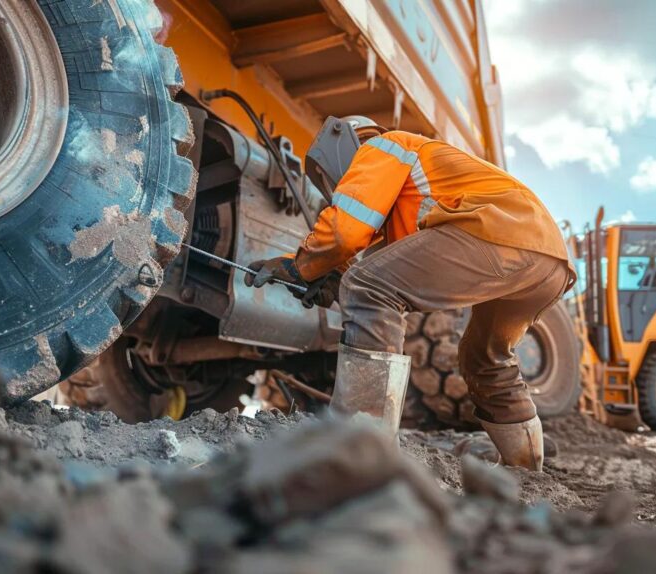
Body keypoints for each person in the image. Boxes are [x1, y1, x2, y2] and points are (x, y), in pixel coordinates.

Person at [246, 116, 574, 471]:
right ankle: (525, 467)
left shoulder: (383, 146)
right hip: (547, 259)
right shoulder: (413, 193)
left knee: (366, 286)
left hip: (498, 232)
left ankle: (363, 452)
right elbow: (392, 282)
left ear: (342, 143)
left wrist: (301, 266)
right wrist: (332, 281)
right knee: (484, 358)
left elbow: (347, 238)